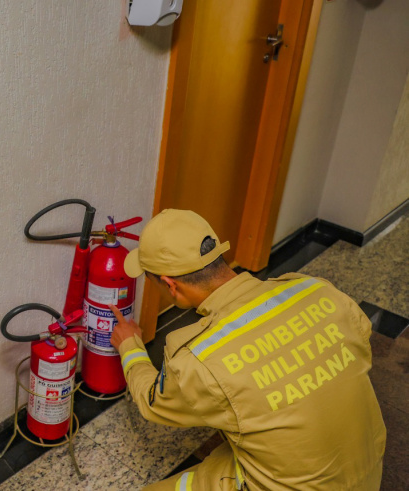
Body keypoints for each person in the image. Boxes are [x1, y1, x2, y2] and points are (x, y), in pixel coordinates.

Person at [108, 209, 385, 491]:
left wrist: (130, 346)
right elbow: (359, 343)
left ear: (170, 285)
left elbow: (153, 404)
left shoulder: (198, 359)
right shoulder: (319, 291)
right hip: (366, 473)